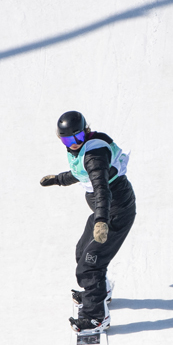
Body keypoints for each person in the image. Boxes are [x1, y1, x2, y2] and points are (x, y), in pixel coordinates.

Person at [40, 111, 136, 333]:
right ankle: (100, 291)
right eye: (67, 140)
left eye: (78, 137)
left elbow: (101, 188)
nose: (74, 143)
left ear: (85, 132)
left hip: (113, 211)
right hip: (106, 211)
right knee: (83, 251)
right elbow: (81, 173)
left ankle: (95, 318)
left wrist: (101, 220)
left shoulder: (95, 156)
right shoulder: (84, 151)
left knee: (90, 265)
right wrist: (59, 179)